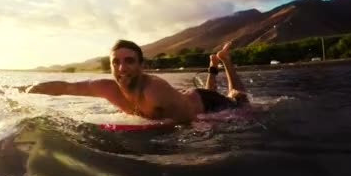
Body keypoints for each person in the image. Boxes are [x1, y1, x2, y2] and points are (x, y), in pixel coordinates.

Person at [17, 40, 249, 123]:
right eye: (115, 62)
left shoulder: (155, 90)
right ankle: (213, 65)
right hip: (188, 96)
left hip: (204, 103)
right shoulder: (106, 88)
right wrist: (23, 90)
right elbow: (65, 87)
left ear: (142, 66)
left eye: (129, 61)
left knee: (240, 100)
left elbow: (190, 120)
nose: (121, 68)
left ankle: (226, 61)